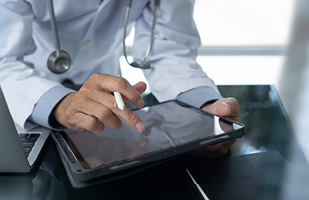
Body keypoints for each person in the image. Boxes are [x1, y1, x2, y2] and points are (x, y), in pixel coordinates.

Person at [0, 0, 239, 158]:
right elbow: (4, 60)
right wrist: (60, 104)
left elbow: (168, 50)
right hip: (26, 95)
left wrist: (203, 107)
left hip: (106, 99)